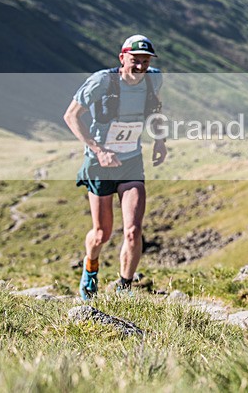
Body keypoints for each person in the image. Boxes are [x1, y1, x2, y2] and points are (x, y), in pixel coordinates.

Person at [63, 35, 167, 300]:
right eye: (135, 61)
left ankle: (124, 287)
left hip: (132, 161)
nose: (141, 67)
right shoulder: (102, 81)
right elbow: (71, 116)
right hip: (100, 164)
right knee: (102, 233)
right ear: (122, 58)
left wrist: (159, 141)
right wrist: (99, 150)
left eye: (145, 61)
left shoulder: (154, 78)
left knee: (133, 230)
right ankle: (90, 268)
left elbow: (156, 108)